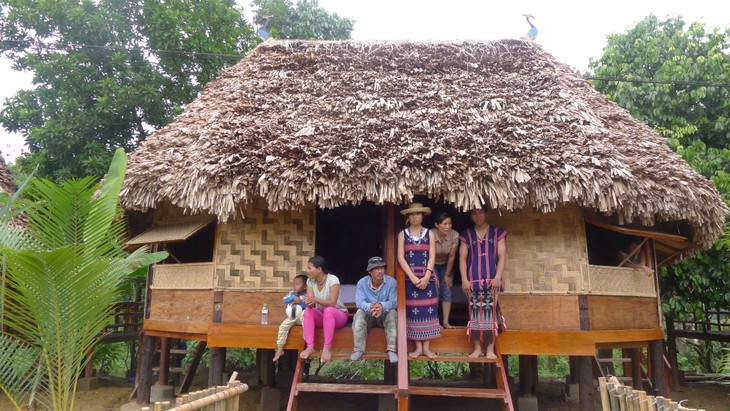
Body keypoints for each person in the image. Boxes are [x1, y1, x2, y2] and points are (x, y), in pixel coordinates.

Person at [459, 207, 507, 359]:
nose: (478, 216)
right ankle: (477, 348)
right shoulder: (466, 235)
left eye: (480, 212)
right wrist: (464, 279)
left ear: (486, 213)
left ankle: (491, 349)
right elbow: (462, 259)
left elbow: (502, 255)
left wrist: (498, 277)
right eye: (474, 213)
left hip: (493, 280)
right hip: (473, 280)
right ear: (470, 216)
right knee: (475, 314)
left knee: (490, 313)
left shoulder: (497, 232)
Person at [397, 202, 440, 359]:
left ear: (422, 216)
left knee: (428, 310)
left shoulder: (430, 233)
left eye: (418, 214)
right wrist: (413, 277)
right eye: (412, 214)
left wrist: (427, 275)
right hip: (410, 279)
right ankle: (417, 347)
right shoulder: (403, 234)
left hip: (427, 278)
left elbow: (432, 256)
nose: (415, 216)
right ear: (408, 216)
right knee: (414, 312)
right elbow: (400, 257)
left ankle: (427, 348)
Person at [300, 255, 349, 363]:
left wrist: (314, 299)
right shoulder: (310, 281)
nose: (307, 271)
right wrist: (308, 302)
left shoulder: (333, 280)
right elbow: (311, 304)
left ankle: (327, 347)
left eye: (309, 268)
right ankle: (310, 346)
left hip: (338, 316)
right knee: (308, 311)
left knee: (329, 310)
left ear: (319, 269)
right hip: (322, 317)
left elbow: (332, 302)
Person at [350, 256, 399, 363]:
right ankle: (359, 349)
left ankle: (391, 349)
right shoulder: (362, 283)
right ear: (370, 271)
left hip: (384, 315)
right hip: (369, 315)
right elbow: (359, 302)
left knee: (392, 313)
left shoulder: (391, 282)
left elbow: (394, 302)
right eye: (376, 269)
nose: (380, 271)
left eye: (382, 268)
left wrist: (382, 306)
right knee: (359, 312)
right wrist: (371, 307)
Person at [430, 211, 459, 329]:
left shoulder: (455, 235)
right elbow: (428, 256)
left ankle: (446, 321)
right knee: (434, 290)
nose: (448, 226)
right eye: (444, 224)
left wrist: (447, 275)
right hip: (432, 264)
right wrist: (431, 272)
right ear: (437, 225)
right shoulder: (430, 234)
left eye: (450, 224)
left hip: (446, 264)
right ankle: (435, 321)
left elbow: (452, 256)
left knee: (446, 290)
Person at [272, 274, 308, 362]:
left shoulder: (307, 295)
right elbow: (285, 300)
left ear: (305, 287)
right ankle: (280, 349)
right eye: (294, 284)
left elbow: (309, 305)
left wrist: (300, 302)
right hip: (292, 318)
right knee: (283, 326)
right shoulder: (292, 293)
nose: (295, 286)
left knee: (307, 320)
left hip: (302, 317)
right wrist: (293, 298)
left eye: (298, 284)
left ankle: (306, 345)